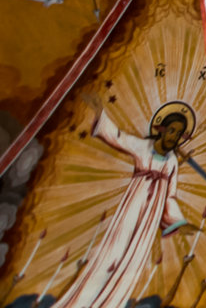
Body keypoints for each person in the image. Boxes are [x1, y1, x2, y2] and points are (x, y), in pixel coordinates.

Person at [50, 100, 194, 308]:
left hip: (148, 220)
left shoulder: (172, 162)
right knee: (113, 253)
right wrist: (100, 112)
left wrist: (179, 222)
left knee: (132, 259)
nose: (174, 137)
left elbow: (170, 196)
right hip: (132, 208)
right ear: (161, 130)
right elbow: (118, 137)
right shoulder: (143, 147)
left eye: (178, 134)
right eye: (172, 131)